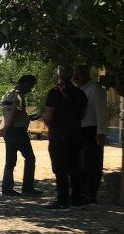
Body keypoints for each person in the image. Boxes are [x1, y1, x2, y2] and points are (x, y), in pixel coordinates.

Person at [43, 65, 88, 210]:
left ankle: (62, 200)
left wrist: (45, 119)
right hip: (76, 135)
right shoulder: (80, 93)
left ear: (58, 76)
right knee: (75, 168)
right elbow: (83, 115)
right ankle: (76, 199)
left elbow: (49, 115)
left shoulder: (54, 92)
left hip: (58, 135)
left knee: (60, 169)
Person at [0, 74, 42, 196]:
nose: (30, 89)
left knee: (10, 161)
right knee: (30, 158)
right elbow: (15, 113)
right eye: (31, 86)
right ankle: (27, 188)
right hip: (17, 131)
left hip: (10, 131)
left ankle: (7, 188)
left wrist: (6, 127)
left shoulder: (7, 93)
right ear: (26, 83)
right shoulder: (18, 96)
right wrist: (7, 127)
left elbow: (10, 114)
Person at [73, 65, 107, 204]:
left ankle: (91, 193)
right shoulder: (80, 90)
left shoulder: (94, 90)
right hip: (81, 129)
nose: (76, 78)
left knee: (93, 163)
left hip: (92, 129)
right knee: (81, 162)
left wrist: (101, 133)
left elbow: (101, 112)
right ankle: (82, 191)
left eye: (78, 75)